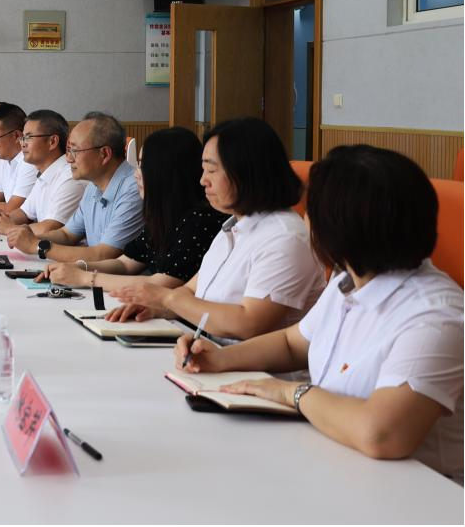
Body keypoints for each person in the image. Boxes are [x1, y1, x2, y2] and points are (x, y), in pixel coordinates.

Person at [174, 146, 462, 483]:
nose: (305, 220)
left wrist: (292, 394)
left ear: (340, 227)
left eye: (310, 211)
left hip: (418, 492)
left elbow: (381, 434)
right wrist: (220, 359)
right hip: (336, 465)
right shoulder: (349, 280)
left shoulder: (435, 317)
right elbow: (292, 343)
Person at [109, 117, 326, 340]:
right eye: (203, 170)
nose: (203, 180)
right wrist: (157, 308)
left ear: (246, 173)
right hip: (205, 348)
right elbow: (191, 291)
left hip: (244, 359)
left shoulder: (285, 238)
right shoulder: (234, 226)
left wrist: (166, 298)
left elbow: (249, 323)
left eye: (211, 170)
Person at [38, 127, 227, 292]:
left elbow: (163, 283)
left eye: (143, 165)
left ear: (166, 173)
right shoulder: (163, 215)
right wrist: (79, 267)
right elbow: (125, 263)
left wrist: (84, 278)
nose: (136, 173)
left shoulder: (200, 220)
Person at [5, 112, 143, 263]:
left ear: (104, 154)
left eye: (74, 151)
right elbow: (67, 234)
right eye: (68, 150)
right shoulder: (93, 186)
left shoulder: (134, 189)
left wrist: (35, 246)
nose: (68, 158)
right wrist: (30, 237)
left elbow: (104, 254)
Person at [0, 109, 86, 238]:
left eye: (28, 137)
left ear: (52, 141)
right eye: (23, 138)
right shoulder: (44, 173)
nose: (22, 143)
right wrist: (1, 219)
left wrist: (10, 228)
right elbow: (24, 213)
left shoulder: (70, 177)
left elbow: (50, 228)